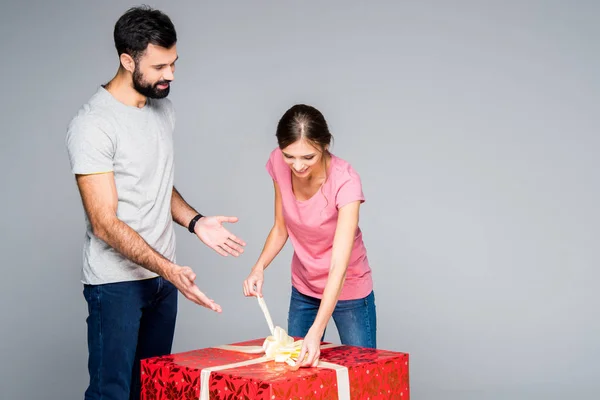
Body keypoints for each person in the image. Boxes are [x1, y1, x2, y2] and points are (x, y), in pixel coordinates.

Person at [65, 6, 246, 400]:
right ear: (127, 60)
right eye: (160, 66)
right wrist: (170, 269)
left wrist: (196, 223)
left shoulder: (162, 108)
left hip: (162, 282)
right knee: (111, 393)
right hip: (115, 285)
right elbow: (103, 223)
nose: (171, 75)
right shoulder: (93, 125)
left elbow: (157, 185)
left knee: (152, 391)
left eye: (175, 63)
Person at [242, 104, 376, 367]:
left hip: (348, 288)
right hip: (304, 288)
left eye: (308, 157)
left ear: (325, 145)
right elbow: (281, 227)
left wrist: (316, 331)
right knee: (296, 375)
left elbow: (339, 265)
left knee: (362, 376)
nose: (298, 166)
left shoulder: (346, 181)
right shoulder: (278, 163)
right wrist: (258, 267)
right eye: (289, 156)